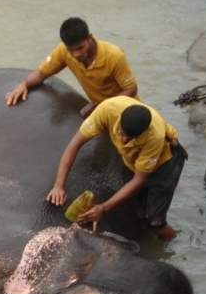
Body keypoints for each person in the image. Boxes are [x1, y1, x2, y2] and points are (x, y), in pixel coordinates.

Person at [46, 96, 188, 241]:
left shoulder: (154, 136)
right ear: (120, 117)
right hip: (132, 159)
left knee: (155, 224)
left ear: (144, 131)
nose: (124, 140)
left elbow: (139, 180)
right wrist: (58, 186)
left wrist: (103, 208)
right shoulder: (107, 110)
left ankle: (174, 246)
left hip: (165, 163)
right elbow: (74, 145)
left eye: (131, 138)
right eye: (122, 133)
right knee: (137, 213)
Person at [6, 17, 139, 118]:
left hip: (125, 110)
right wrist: (24, 84)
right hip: (98, 110)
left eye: (80, 48)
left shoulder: (114, 56)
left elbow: (131, 88)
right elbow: (42, 73)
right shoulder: (63, 51)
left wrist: (105, 108)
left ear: (90, 38)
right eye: (71, 50)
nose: (76, 54)